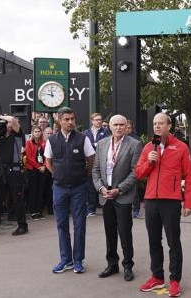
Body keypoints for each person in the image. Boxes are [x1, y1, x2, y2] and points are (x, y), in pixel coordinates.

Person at [135, 112, 191, 297]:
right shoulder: (148, 148)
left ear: (169, 126)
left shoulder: (181, 147)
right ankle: (157, 277)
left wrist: (189, 203)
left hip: (171, 201)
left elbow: (190, 176)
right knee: (154, 241)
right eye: (155, 123)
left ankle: (175, 280)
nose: (157, 126)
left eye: (161, 123)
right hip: (151, 200)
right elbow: (138, 173)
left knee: (173, 242)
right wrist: (150, 162)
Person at [45, 107, 95, 274]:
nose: (71, 122)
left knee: (80, 224)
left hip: (79, 187)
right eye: (67, 119)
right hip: (59, 188)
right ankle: (65, 260)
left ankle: (78, 260)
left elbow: (90, 160)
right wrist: (58, 176)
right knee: (61, 224)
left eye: (72, 119)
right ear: (59, 120)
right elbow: (48, 162)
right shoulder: (52, 140)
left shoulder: (83, 139)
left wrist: (82, 176)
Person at [92, 114, 142, 282]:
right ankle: (112, 264)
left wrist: (119, 189)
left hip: (123, 196)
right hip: (105, 196)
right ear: (110, 127)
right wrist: (100, 188)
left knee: (125, 232)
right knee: (109, 232)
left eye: (122, 124)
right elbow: (96, 171)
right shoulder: (102, 144)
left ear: (126, 126)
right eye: (116, 125)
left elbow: (136, 172)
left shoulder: (134, 144)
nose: (119, 127)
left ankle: (128, 265)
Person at [0, 115, 28, 237]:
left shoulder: (17, 136)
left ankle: (22, 226)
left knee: (17, 199)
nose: (6, 124)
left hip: (14, 171)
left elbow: (14, 121)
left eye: (7, 123)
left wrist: (0, 117)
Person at [83, 113, 110, 217]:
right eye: (97, 119)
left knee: (103, 183)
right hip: (90, 162)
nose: (99, 121)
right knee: (90, 185)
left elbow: (106, 144)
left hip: (103, 161)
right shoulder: (86, 132)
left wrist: (95, 145)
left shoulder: (106, 131)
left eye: (100, 119)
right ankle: (91, 209)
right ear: (92, 121)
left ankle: (105, 207)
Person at [25, 125, 47, 220]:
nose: (38, 133)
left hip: (42, 169)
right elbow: (29, 157)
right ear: (33, 133)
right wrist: (38, 167)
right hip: (33, 169)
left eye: (39, 131)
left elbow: (47, 156)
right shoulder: (29, 143)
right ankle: (33, 211)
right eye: (36, 131)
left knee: (41, 190)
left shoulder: (44, 143)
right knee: (33, 190)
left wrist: (44, 166)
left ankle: (39, 210)